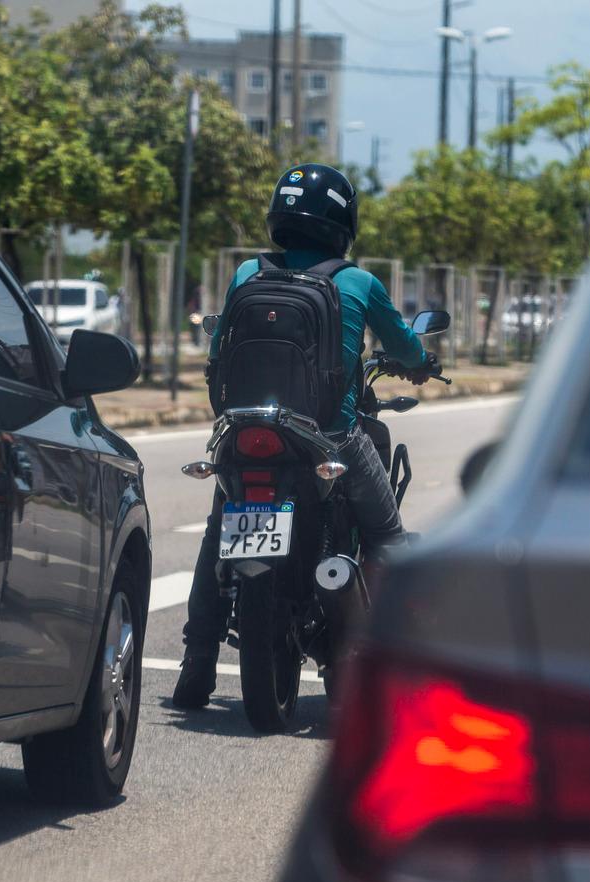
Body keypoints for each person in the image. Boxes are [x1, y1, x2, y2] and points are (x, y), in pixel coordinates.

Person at [172, 163, 437, 710]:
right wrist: (421, 361)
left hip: (246, 429)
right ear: (343, 221)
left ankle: (197, 664)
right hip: (330, 435)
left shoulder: (248, 273)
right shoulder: (357, 282)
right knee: (386, 531)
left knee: (220, 529)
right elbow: (406, 348)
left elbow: (218, 350)